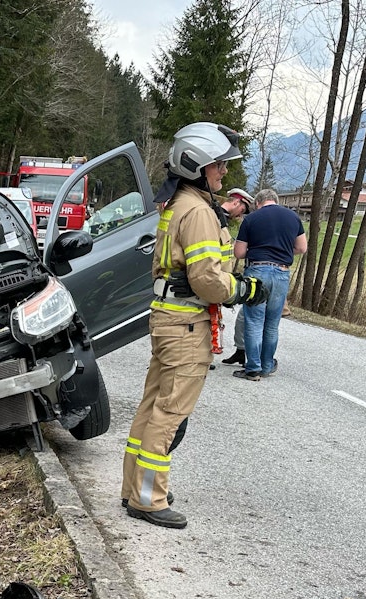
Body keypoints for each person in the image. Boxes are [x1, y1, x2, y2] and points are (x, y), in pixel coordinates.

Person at [121, 123, 268, 530]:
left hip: (168, 320)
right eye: (219, 164)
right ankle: (148, 498)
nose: (224, 171)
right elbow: (206, 279)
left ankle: (134, 487)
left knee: (152, 407)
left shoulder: (178, 202)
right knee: (169, 414)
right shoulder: (200, 212)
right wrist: (243, 289)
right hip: (186, 325)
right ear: (198, 165)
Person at [232, 188, 307, 380]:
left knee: (254, 321)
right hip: (282, 272)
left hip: (257, 272)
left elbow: (239, 252)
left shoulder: (251, 219)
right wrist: (283, 251)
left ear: (258, 203)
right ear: (276, 200)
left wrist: (256, 249)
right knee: (272, 324)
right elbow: (301, 248)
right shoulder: (293, 218)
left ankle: (253, 368)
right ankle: (266, 366)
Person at [220, 188, 253, 366]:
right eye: (242, 209)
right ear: (236, 202)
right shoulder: (215, 217)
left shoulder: (222, 219)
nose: (241, 214)